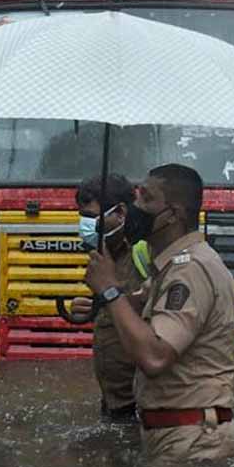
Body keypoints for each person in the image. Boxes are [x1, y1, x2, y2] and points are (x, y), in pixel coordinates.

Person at [84, 163, 234, 462]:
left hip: (193, 441)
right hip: (179, 435)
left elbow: (155, 357)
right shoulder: (170, 267)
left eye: (146, 198)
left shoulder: (189, 270)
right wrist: (104, 300)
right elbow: (140, 308)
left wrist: (110, 290)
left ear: (173, 214)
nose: (135, 207)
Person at [69, 174, 143, 422]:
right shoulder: (104, 256)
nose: (84, 225)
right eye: (82, 217)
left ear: (120, 213)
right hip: (113, 400)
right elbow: (116, 312)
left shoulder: (143, 255)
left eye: (91, 217)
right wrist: (92, 308)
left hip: (140, 404)